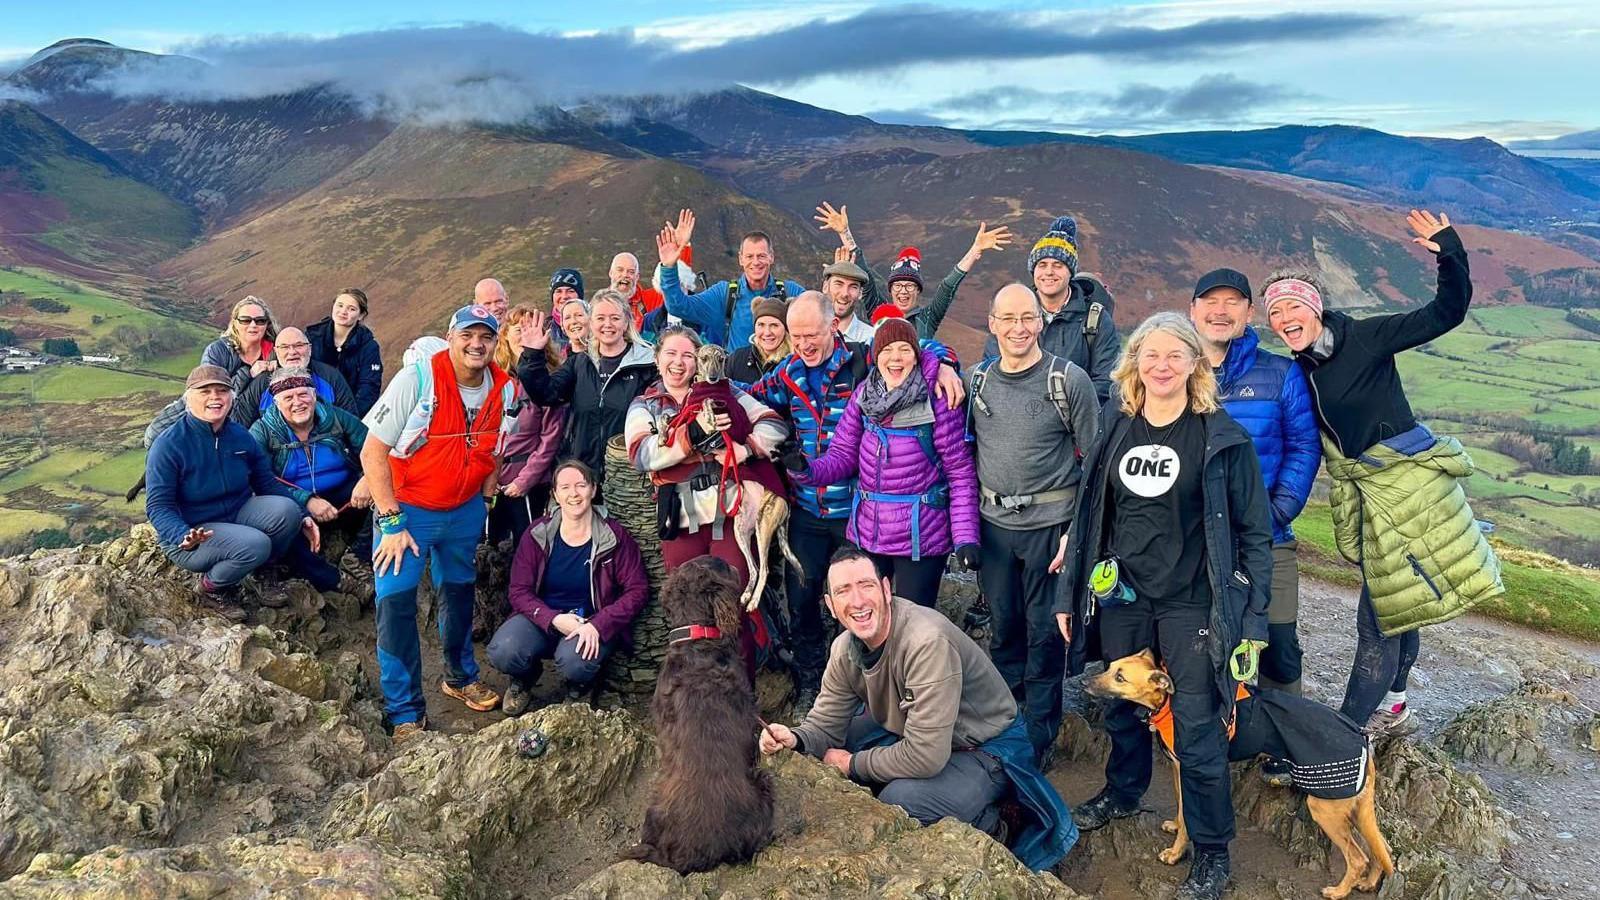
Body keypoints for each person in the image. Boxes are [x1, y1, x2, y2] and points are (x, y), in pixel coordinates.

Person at [1053, 312, 1273, 900]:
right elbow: (1089, 515)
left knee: (1198, 726)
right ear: (1135, 363)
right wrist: (1070, 591)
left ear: (1196, 364)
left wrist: (1251, 619)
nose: (1162, 365)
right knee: (1121, 706)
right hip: (1123, 595)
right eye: (1151, 354)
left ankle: (1212, 852)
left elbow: (1254, 533)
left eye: (1176, 354)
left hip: (1193, 604)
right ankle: (1124, 793)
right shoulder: (1117, 428)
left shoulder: (1221, 436)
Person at [1266, 210, 1502, 737]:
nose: (1283, 318)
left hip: (1410, 491)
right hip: (1377, 499)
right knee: (1401, 601)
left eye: (1291, 306)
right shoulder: (1301, 367)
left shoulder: (1366, 339)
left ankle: (1341, 734)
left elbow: (1446, 313)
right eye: (1275, 313)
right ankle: (1394, 703)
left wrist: (1449, 250)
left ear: (1314, 308)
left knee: (1378, 618)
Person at [759, 546, 1076, 872]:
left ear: (886, 589)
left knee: (901, 799)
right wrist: (795, 738)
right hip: (922, 729)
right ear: (831, 605)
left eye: (866, 586)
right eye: (843, 591)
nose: (857, 601)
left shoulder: (926, 641)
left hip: (987, 747)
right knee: (841, 740)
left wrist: (852, 765)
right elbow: (825, 724)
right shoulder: (845, 648)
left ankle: (999, 823)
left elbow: (926, 755)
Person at [744, 291, 964, 714]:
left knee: (868, 605)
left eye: (812, 334)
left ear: (833, 327)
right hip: (807, 506)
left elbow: (919, 346)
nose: (804, 343)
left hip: (859, 515)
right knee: (804, 598)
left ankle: (874, 688)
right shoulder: (786, 374)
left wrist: (945, 365)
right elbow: (743, 393)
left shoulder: (862, 360)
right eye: (796, 335)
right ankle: (813, 681)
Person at [360, 304, 519, 741]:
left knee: (459, 595)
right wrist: (391, 521)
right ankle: (404, 710)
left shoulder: (504, 390)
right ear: (450, 337)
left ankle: (461, 676)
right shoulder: (418, 380)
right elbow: (373, 453)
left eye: (486, 336)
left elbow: (496, 447)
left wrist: (487, 497)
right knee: (396, 607)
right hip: (406, 511)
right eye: (468, 335)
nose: (477, 344)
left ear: (495, 342)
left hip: (465, 510)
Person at [967, 283, 1100, 765]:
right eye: (1009, 318)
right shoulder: (976, 381)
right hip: (995, 527)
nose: (1019, 328)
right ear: (993, 324)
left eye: (1028, 318)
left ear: (1040, 322)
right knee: (1003, 629)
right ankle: (1005, 725)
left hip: (1052, 529)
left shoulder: (1069, 381)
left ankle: (1039, 740)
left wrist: (1077, 531)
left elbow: (1096, 462)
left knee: (1046, 635)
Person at [626, 325, 789, 677]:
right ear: (657, 359)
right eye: (671, 354)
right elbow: (641, 454)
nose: (679, 362)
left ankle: (739, 684)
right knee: (687, 602)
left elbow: (775, 426)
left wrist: (745, 448)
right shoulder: (646, 405)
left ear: (700, 361)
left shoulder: (729, 393)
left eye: (687, 355)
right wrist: (693, 437)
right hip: (680, 517)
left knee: (734, 596)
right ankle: (696, 684)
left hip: (729, 515)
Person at [786, 315, 979, 609]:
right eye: (887, 350)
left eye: (904, 349)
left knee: (913, 625)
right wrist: (804, 469)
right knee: (866, 618)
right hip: (868, 532)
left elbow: (960, 474)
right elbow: (841, 457)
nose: (895, 358)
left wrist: (966, 538)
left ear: (917, 355)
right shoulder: (864, 396)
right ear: (876, 357)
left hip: (920, 538)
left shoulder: (938, 400)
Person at [1189, 269, 1319, 700]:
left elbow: (1303, 446)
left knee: (1278, 646)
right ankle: (1210, 736)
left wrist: (1276, 512)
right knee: (1201, 640)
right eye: (1210, 301)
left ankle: (1285, 746)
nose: (1220, 311)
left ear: (1248, 312)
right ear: (1193, 311)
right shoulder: (1175, 372)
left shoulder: (1281, 374)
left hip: (1268, 538)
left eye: (1232, 302)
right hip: (1194, 540)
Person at [145, 365, 322, 620]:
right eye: (205, 391)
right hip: (194, 532)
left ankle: (264, 573)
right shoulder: (169, 445)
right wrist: (181, 534)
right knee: (255, 544)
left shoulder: (239, 435)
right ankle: (212, 588)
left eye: (222, 391)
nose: (215, 397)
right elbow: (158, 506)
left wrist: (303, 514)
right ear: (188, 398)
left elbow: (266, 484)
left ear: (231, 397)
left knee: (287, 511)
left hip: (237, 513)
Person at [488, 459, 650, 715]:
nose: (573, 494)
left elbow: (637, 589)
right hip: (544, 617)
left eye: (581, 485)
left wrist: (599, 624)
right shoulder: (537, 534)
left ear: (593, 490)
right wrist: (553, 619)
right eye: (565, 487)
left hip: (591, 622)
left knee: (575, 662)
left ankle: (580, 686)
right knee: (503, 650)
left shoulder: (614, 537)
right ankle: (524, 678)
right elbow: (519, 590)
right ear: (555, 494)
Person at [815, 201, 1011, 341]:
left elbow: (947, 287)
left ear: (918, 291)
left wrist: (974, 251)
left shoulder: (927, 319)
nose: (903, 291)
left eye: (910, 286)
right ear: (890, 290)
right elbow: (863, 270)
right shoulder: (877, 309)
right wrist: (844, 233)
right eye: (898, 285)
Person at [249, 366, 371, 585]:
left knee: (386, 496)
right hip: (293, 503)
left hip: (345, 495)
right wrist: (307, 501)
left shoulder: (335, 417)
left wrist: (368, 478)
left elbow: (374, 449)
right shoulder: (262, 431)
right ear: (276, 402)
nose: (298, 402)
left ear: (314, 395)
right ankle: (338, 582)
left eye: (304, 393)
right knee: (279, 532)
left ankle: (359, 556)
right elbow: (260, 480)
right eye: (288, 397)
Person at [518, 289, 655, 481]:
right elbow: (545, 393)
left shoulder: (647, 366)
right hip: (584, 476)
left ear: (626, 322)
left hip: (629, 480)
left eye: (615, 318)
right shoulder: (579, 363)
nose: (607, 324)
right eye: (600, 318)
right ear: (591, 323)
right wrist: (532, 355)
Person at [983, 216, 1120, 403]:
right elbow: (992, 371)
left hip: (1075, 427)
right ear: (1033, 271)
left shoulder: (1096, 320)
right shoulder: (1011, 314)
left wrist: (1061, 410)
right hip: (1018, 420)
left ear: (1070, 272)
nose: (1049, 272)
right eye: (1042, 265)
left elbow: (1106, 381)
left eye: (1058, 265)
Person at [655, 209, 805, 349]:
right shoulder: (724, 295)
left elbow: (820, 314)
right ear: (740, 259)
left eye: (761, 256)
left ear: (771, 257)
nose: (756, 262)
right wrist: (669, 266)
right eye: (749, 257)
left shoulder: (790, 292)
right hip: (738, 375)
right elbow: (679, 306)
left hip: (782, 375)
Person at [490, 305, 566, 545]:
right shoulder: (491, 379)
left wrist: (523, 481)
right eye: (518, 328)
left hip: (528, 484)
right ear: (505, 336)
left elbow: (549, 440)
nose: (524, 335)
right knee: (488, 549)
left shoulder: (549, 381)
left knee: (530, 548)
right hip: (490, 483)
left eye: (530, 328)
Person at [232, 326, 358, 428]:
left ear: (309, 349)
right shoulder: (261, 384)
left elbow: (352, 424)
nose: (292, 352)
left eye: (299, 345)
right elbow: (239, 426)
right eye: (284, 347)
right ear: (276, 351)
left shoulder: (331, 377)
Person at [306, 288, 383, 415]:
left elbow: (369, 388)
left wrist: (349, 419)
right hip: (313, 411)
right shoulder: (312, 337)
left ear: (361, 315)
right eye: (340, 305)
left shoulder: (369, 347)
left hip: (351, 415)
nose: (343, 312)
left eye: (351, 309)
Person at [202, 296, 278, 392]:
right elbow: (211, 393)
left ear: (267, 324)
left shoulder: (278, 351)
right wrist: (249, 374)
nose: (253, 325)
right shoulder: (217, 351)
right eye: (246, 320)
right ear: (235, 323)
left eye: (260, 320)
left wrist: (280, 370)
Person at [728, 296, 790, 384]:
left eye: (774, 325)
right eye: (761, 325)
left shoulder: (793, 363)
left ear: (785, 329)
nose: (767, 332)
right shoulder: (736, 359)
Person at [820, 250, 874, 344]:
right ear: (825, 287)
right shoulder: (809, 334)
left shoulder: (871, 339)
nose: (845, 293)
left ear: (860, 293)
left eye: (853, 287)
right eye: (839, 284)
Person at [608, 251, 667, 338]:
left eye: (631, 272)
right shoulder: (599, 304)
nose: (625, 275)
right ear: (611, 273)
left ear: (637, 276)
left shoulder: (654, 298)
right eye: (620, 270)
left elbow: (676, 289)